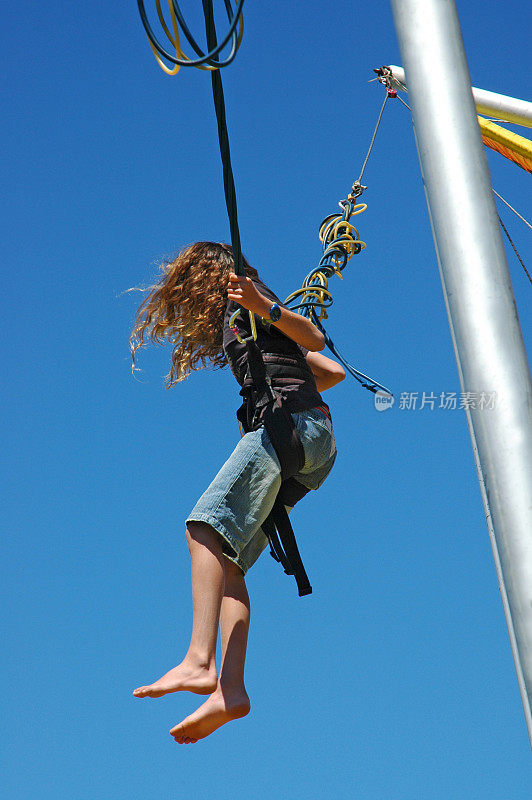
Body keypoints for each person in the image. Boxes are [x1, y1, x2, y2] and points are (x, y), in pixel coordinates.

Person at [130, 242, 345, 744]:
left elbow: (315, 335)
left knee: (204, 527)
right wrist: (288, 384)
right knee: (228, 564)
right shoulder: (253, 330)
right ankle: (230, 690)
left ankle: (200, 660)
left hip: (292, 430)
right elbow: (330, 374)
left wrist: (260, 304)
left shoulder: (246, 300)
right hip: (313, 445)